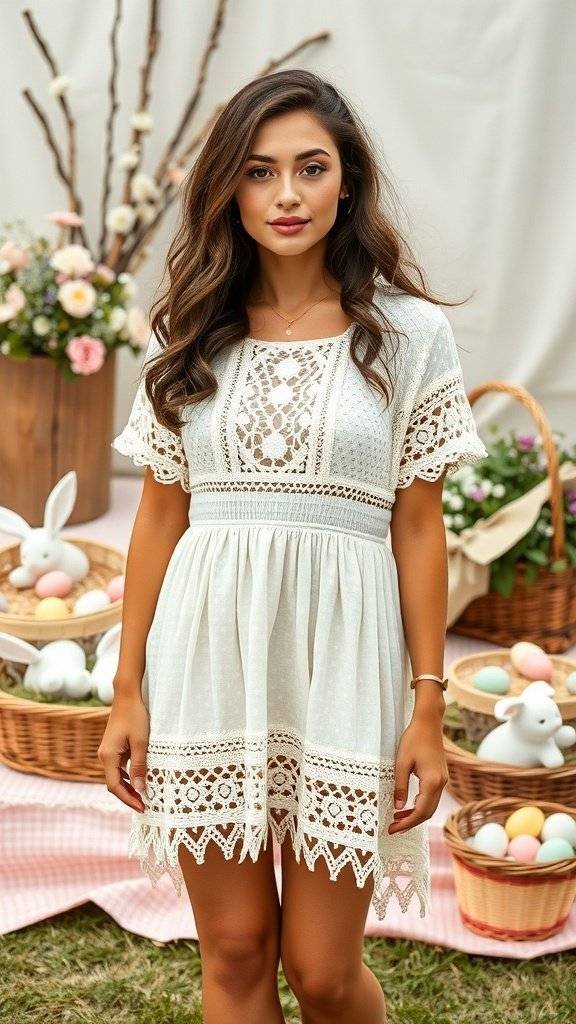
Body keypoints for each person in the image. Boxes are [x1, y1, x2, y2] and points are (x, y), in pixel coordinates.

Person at [99, 69, 488, 1024]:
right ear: (228, 188)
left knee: (322, 971)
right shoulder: (188, 331)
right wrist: (128, 687)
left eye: (311, 168)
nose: (286, 194)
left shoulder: (409, 336)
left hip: (345, 666)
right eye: (260, 171)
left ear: (346, 182)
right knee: (234, 950)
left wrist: (427, 704)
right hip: (207, 658)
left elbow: (418, 526)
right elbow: (159, 518)